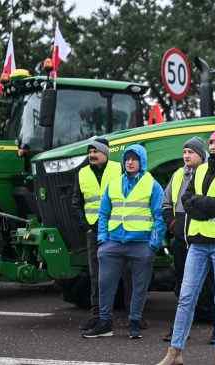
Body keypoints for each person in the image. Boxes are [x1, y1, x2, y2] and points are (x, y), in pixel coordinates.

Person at [159, 128, 215, 365]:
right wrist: (204, 205)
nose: (212, 146)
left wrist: (202, 205)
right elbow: (187, 201)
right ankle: (175, 351)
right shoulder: (199, 171)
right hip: (198, 242)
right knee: (186, 297)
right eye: (210, 142)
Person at [82, 144, 165, 339]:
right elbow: (103, 214)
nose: (130, 162)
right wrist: (102, 239)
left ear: (142, 161)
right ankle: (104, 323)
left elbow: (159, 216)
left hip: (141, 244)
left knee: (139, 286)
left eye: (134, 158)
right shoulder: (114, 184)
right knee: (105, 283)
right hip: (113, 243)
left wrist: (153, 244)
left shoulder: (152, 185)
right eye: (127, 158)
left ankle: (135, 322)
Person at [161, 137, 215, 343]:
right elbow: (166, 203)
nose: (186, 156)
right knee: (182, 286)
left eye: (190, 152)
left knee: (211, 285)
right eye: (184, 152)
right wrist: (172, 225)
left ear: (201, 155)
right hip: (181, 240)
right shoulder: (177, 175)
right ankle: (179, 330)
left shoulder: (211, 174)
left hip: (204, 239)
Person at [72, 137, 121, 332]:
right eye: (89, 151)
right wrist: (86, 226)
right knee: (96, 275)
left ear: (105, 153)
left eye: (96, 151)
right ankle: (97, 315)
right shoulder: (82, 173)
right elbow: (76, 202)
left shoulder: (119, 168)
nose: (91, 155)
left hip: (117, 228)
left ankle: (132, 316)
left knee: (124, 272)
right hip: (94, 230)